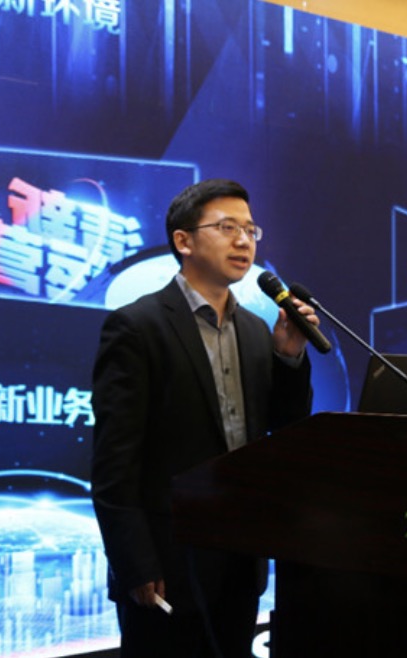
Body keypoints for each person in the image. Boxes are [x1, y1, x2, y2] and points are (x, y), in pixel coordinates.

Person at [90, 179, 318, 658]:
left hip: (239, 560)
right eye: (227, 227)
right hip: (167, 565)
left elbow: (285, 431)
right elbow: (115, 462)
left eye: (250, 230)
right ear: (184, 241)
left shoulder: (256, 331)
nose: (244, 241)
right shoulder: (137, 326)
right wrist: (135, 564)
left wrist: (289, 358)